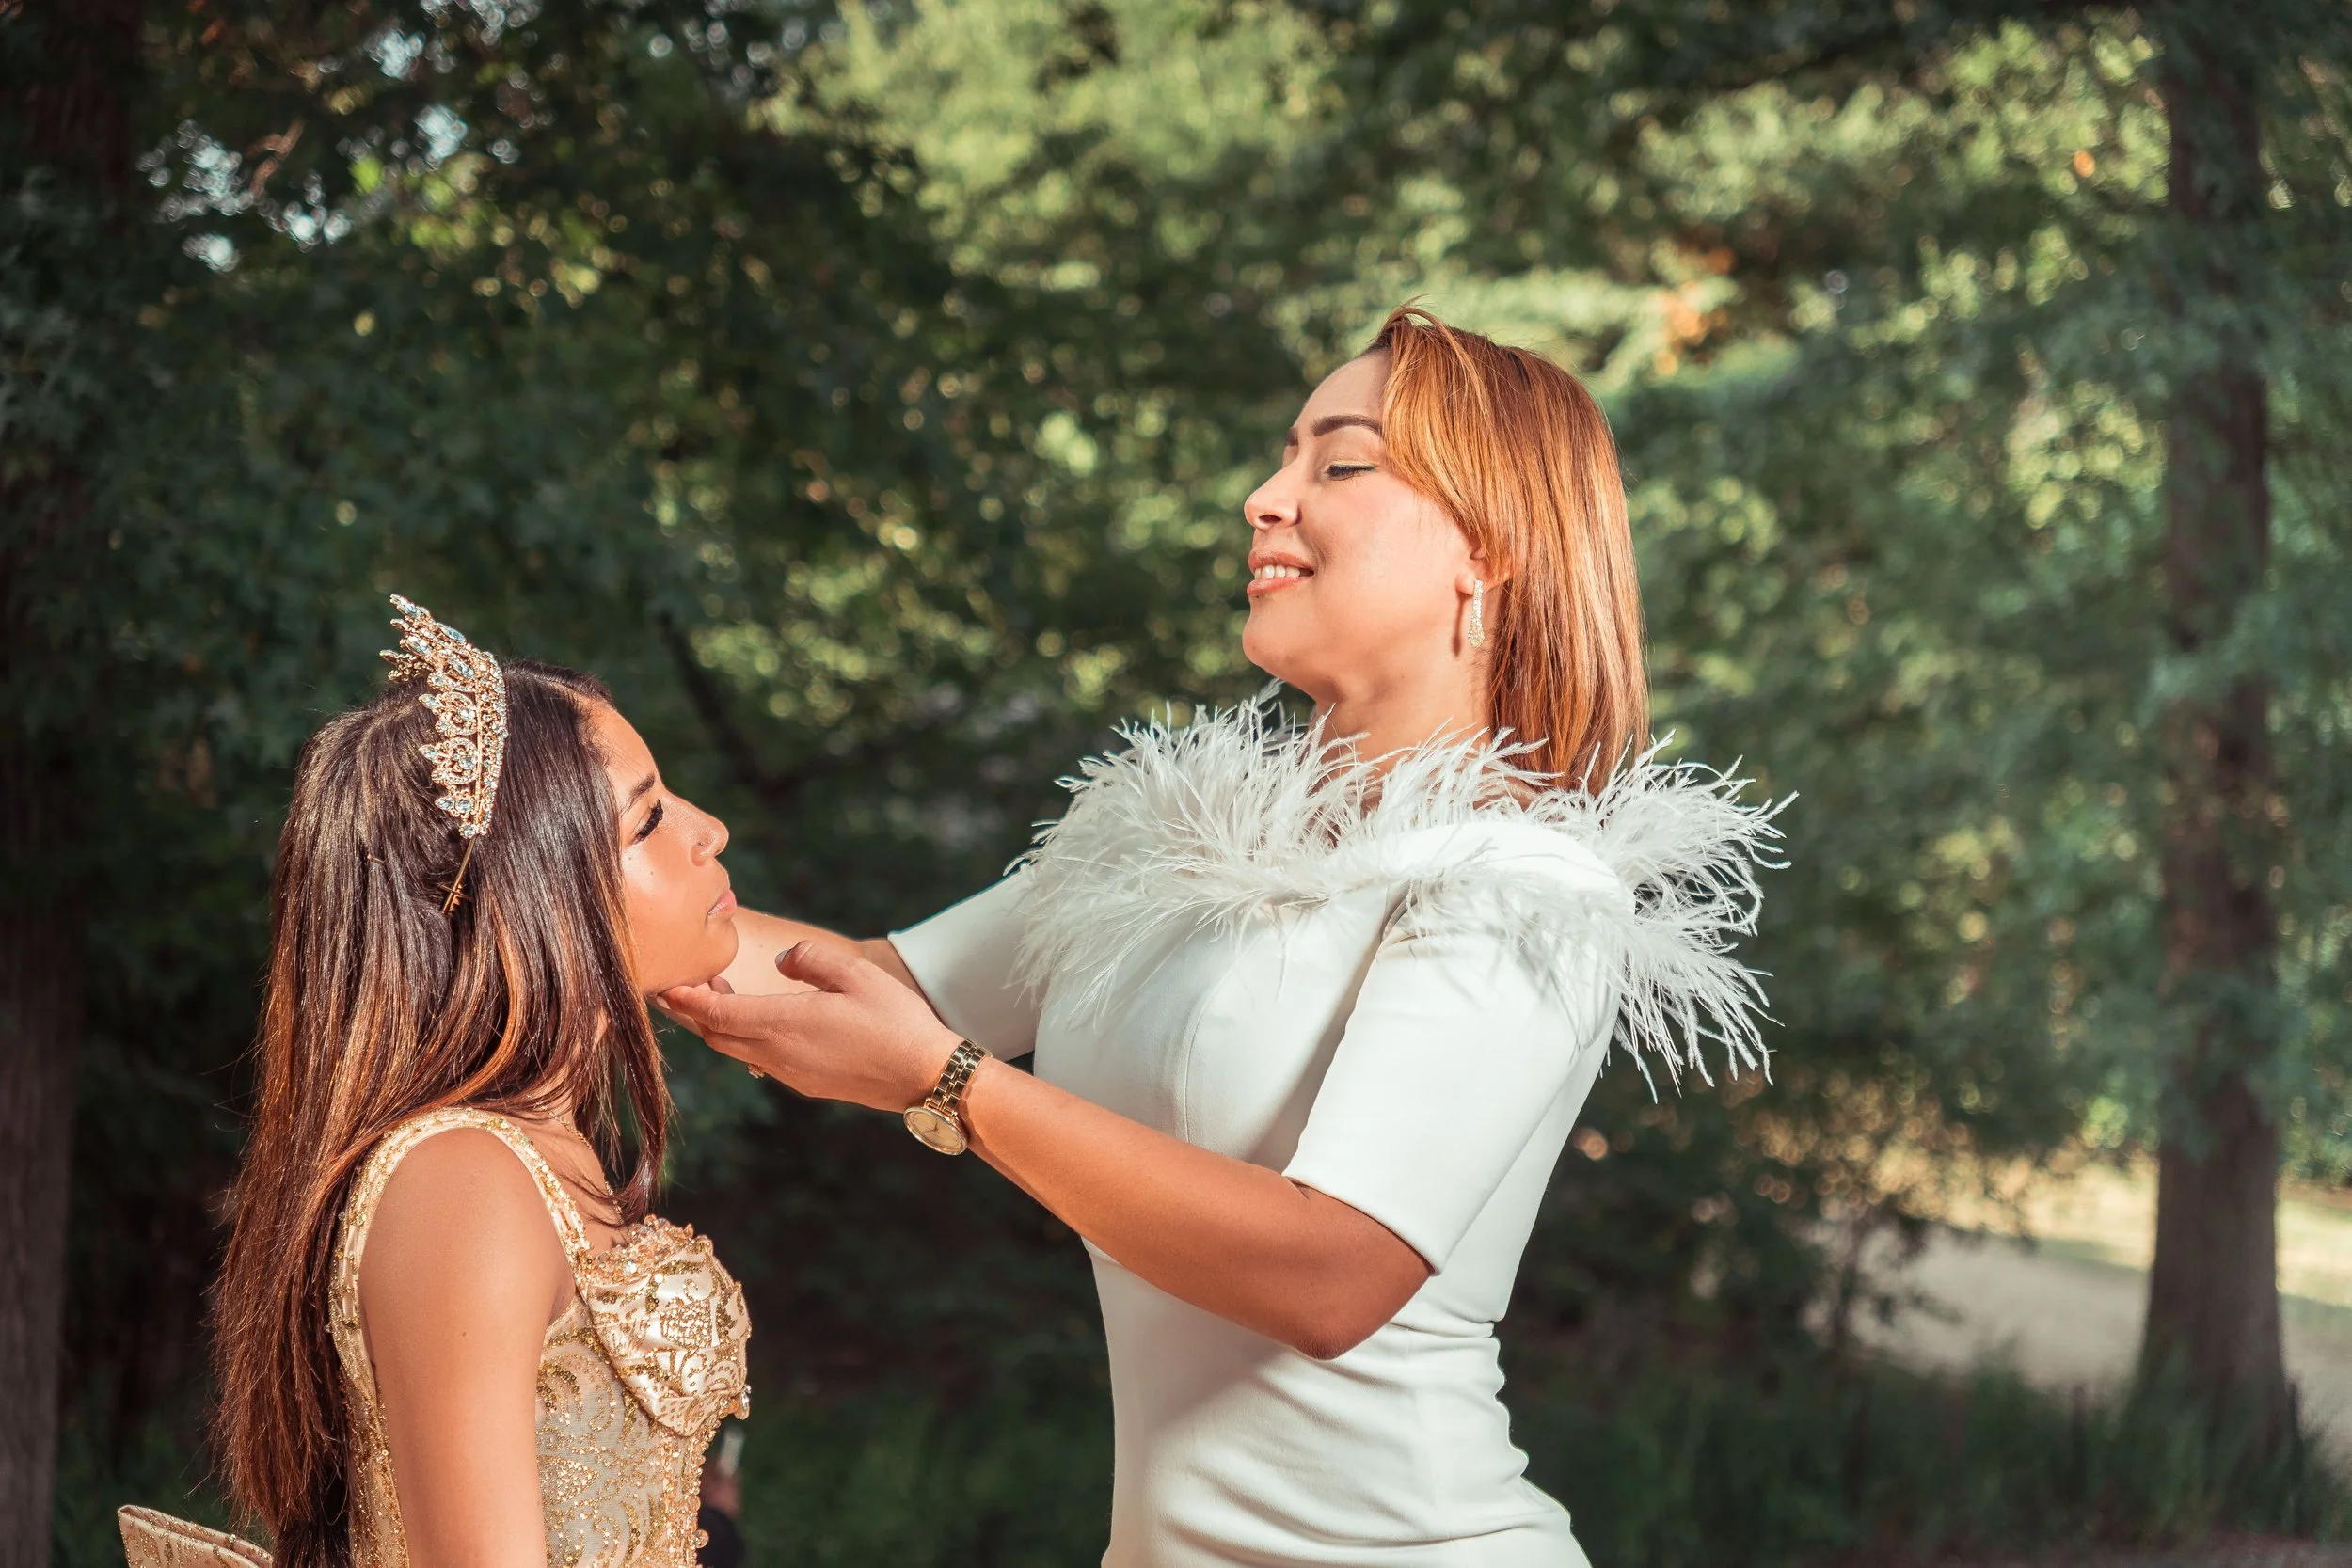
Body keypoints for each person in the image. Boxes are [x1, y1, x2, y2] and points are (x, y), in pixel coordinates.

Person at [660, 306, 1786, 1566]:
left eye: (1338, 463)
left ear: (1491, 548)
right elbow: (845, 988)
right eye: (1281, 455)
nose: (1265, 497)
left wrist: (953, 1084)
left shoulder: (1521, 882)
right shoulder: (1165, 836)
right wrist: (546, 851)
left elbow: (1331, 1272)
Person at [118, 597, 752, 1568]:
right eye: (651, 817)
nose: (708, 830)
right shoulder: (465, 1179)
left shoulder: (539, 1141)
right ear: (541, 890)